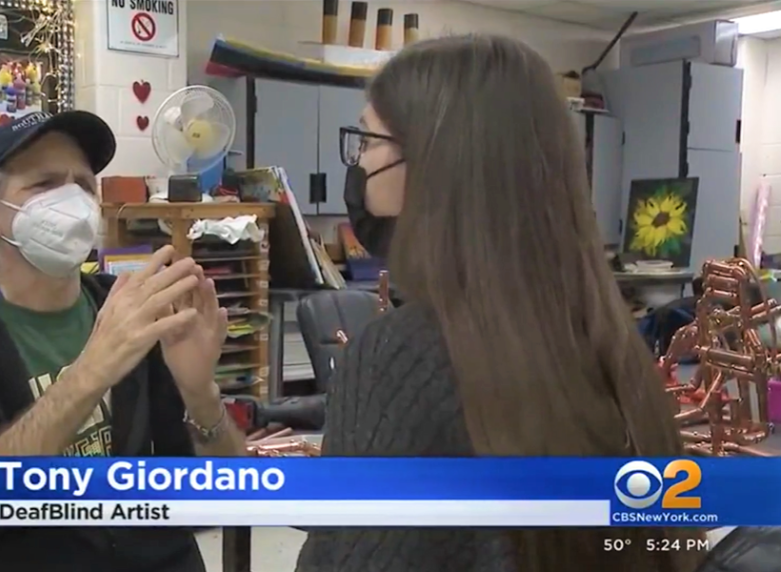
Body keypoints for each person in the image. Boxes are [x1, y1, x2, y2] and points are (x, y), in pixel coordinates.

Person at [296, 36, 705, 572]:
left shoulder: (401, 356)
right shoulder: (602, 339)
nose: (358, 164)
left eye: (368, 140)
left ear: (435, 162)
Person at [0, 110, 246, 572]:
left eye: (84, 184)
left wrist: (202, 395)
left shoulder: (132, 311)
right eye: (45, 184)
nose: (73, 200)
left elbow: (227, 493)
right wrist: (93, 370)